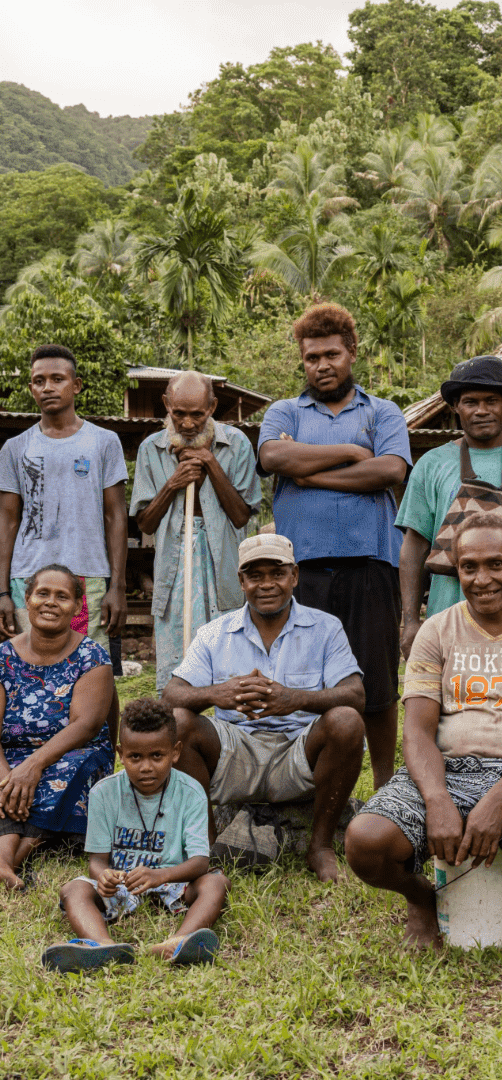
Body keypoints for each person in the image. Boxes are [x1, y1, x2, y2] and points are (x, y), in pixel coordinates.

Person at [344, 512, 502, 954]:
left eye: (495, 564)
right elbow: (418, 734)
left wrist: (498, 798)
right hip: (446, 769)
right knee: (365, 841)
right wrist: (438, 798)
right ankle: (422, 898)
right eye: (469, 567)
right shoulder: (436, 631)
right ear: (456, 569)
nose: (482, 579)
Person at [257, 303, 411, 789]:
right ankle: (307, 787)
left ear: (352, 353)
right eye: (311, 358)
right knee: (305, 681)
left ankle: (386, 791)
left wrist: (307, 473)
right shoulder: (285, 412)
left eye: (331, 355)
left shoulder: (382, 411)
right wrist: (350, 453)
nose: (322, 366)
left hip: (371, 563)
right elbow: (273, 455)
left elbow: (390, 471)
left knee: (378, 685)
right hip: (301, 570)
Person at [162, 533, 366, 882]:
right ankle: (207, 848)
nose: (267, 584)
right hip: (234, 754)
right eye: (255, 575)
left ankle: (320, 846)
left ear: (295, 576)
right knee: (180, 722)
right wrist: (217, 694)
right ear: (241, 581)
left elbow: (355, 695)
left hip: (299, 753)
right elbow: (171, 696)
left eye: (278, 573)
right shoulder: (215, 633)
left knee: (346, 721)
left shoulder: (325, 628)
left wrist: (296, 699)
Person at [396, 356, 502, 658]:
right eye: (470, 402)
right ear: (455, 407)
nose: (481, 411)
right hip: (447, 618)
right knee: (452, 702)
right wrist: (411, 620)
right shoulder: (431, 465)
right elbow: (414, 546)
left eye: (492, 401)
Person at [44, 698, 230, 972]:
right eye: (135, 757)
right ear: (121, 753)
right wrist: (104, 876)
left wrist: (161, 875)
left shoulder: (190, 792)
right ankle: (102, 946)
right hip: (123, 884)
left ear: (175, 752)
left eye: (157, 756)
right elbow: (97, 860)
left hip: (174, 881)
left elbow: (200, 862)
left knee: (217, 883)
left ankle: (179, 942)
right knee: (73, 889)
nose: (146, 767)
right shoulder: (104, 793)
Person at [131, 371, 262, 693]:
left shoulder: (237, 444)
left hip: (223, 570)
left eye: (197, 414)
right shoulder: (152, 448)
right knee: (178, 671)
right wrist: (173, 483)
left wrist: (210, 463)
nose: (187, 423)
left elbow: (241, 516)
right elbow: (146, 524)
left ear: (213, 406)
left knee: (229, 670)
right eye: (179, 414)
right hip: (173, 573)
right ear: (166, 405)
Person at [0, 344, 128, 647]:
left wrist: (118, 586)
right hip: (28, 580)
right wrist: (2, 592)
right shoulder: (14, 449)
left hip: (89, 578)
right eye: (39, 381)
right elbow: (6, 522)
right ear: (31, 387)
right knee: (31, 673)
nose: (48, 387)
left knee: (89, 672)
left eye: (57, 379)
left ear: (76, 385)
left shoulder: (104, 442)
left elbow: (116, 516)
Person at [0, 565, 116, 889]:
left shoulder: (92, 656)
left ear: (77, 606)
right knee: (7, 781)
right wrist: (7, 777)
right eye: (43, 593)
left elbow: (87, 725)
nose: (51, 602)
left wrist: (33, 765)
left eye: (62, 596)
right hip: (13, 754)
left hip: (75, 751)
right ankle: (5, 861)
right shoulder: (2, 656)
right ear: (28, 599)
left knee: (69, 771)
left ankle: (14, 860)